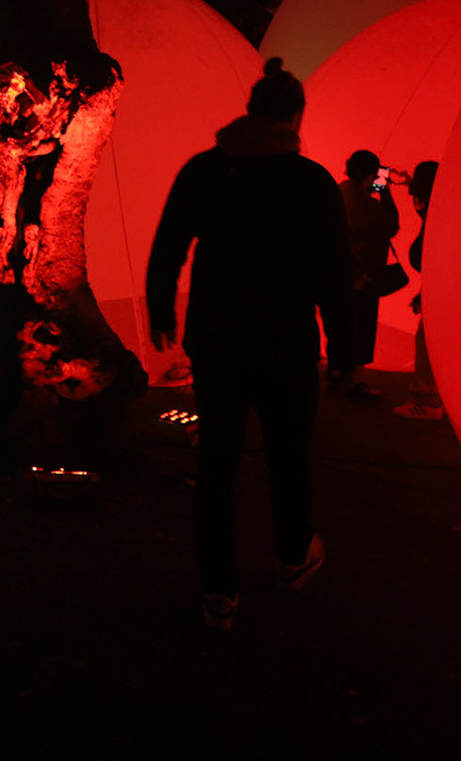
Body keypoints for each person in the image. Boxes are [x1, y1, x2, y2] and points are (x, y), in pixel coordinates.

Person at [147, 58, 353, 631]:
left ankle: (218, 593)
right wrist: (341, 350)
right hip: (286, 341)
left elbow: (170, 242)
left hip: (217, 338)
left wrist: (162, 307)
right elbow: (333, 272)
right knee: (290, 455)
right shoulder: (311, 181)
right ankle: (292, 558)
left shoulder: (205, 170)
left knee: (217, 460)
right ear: (295, 116)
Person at [331, 150, 400, 401]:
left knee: (342, 325)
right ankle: (354, 381)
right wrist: (384, 191)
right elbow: (391, 224)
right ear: (370, 174)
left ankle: (338, 374)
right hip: (364, 276)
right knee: (361, 329)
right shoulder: (367, 205)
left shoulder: (340, 192)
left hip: (341, 272)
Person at [395, 160, 446, 420]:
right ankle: (439, 399)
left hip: (441, 287)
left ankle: (426, 401)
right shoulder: (442, 207)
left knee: (427, 342)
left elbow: (436, 256)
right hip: (442, 286)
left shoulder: (438, 214)